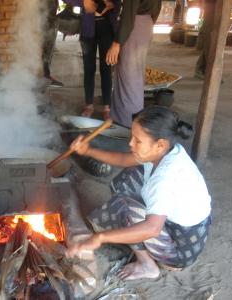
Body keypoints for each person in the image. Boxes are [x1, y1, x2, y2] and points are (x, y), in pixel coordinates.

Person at [67, 106, 212, 280]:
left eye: (137, 141)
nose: (130, 144)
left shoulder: (164, 179)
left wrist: (100, 237)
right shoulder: (167, 150)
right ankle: (125, 220)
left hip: (180, 248)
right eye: (132, 138)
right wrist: (88, 151)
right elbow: (123, 159)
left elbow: (152, 228)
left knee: (125, 207)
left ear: (160, 144)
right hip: (193, 233)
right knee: (130, 176)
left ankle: (147, 265)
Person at [106, 0, 162, 127]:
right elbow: (157, 8)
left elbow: (128, 14)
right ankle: (132, 117)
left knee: (128, 76)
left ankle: (126, 122)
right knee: (135, 76)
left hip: (133, 26)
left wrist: (117, 43)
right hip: (145, 24)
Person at [64, 0, 119, 119]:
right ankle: (89, 105)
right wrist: (83, 1)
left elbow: (119, 3)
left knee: (106, 67)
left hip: (107, 28)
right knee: (89, 68)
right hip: (87, 29)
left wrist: (113, 4)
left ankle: (107, 107)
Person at [42, 0, 64, 87]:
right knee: (43, 52)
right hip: (44, 23)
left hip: (50, 23)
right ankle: (44, 77)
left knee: (48, 53)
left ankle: (46, 76)